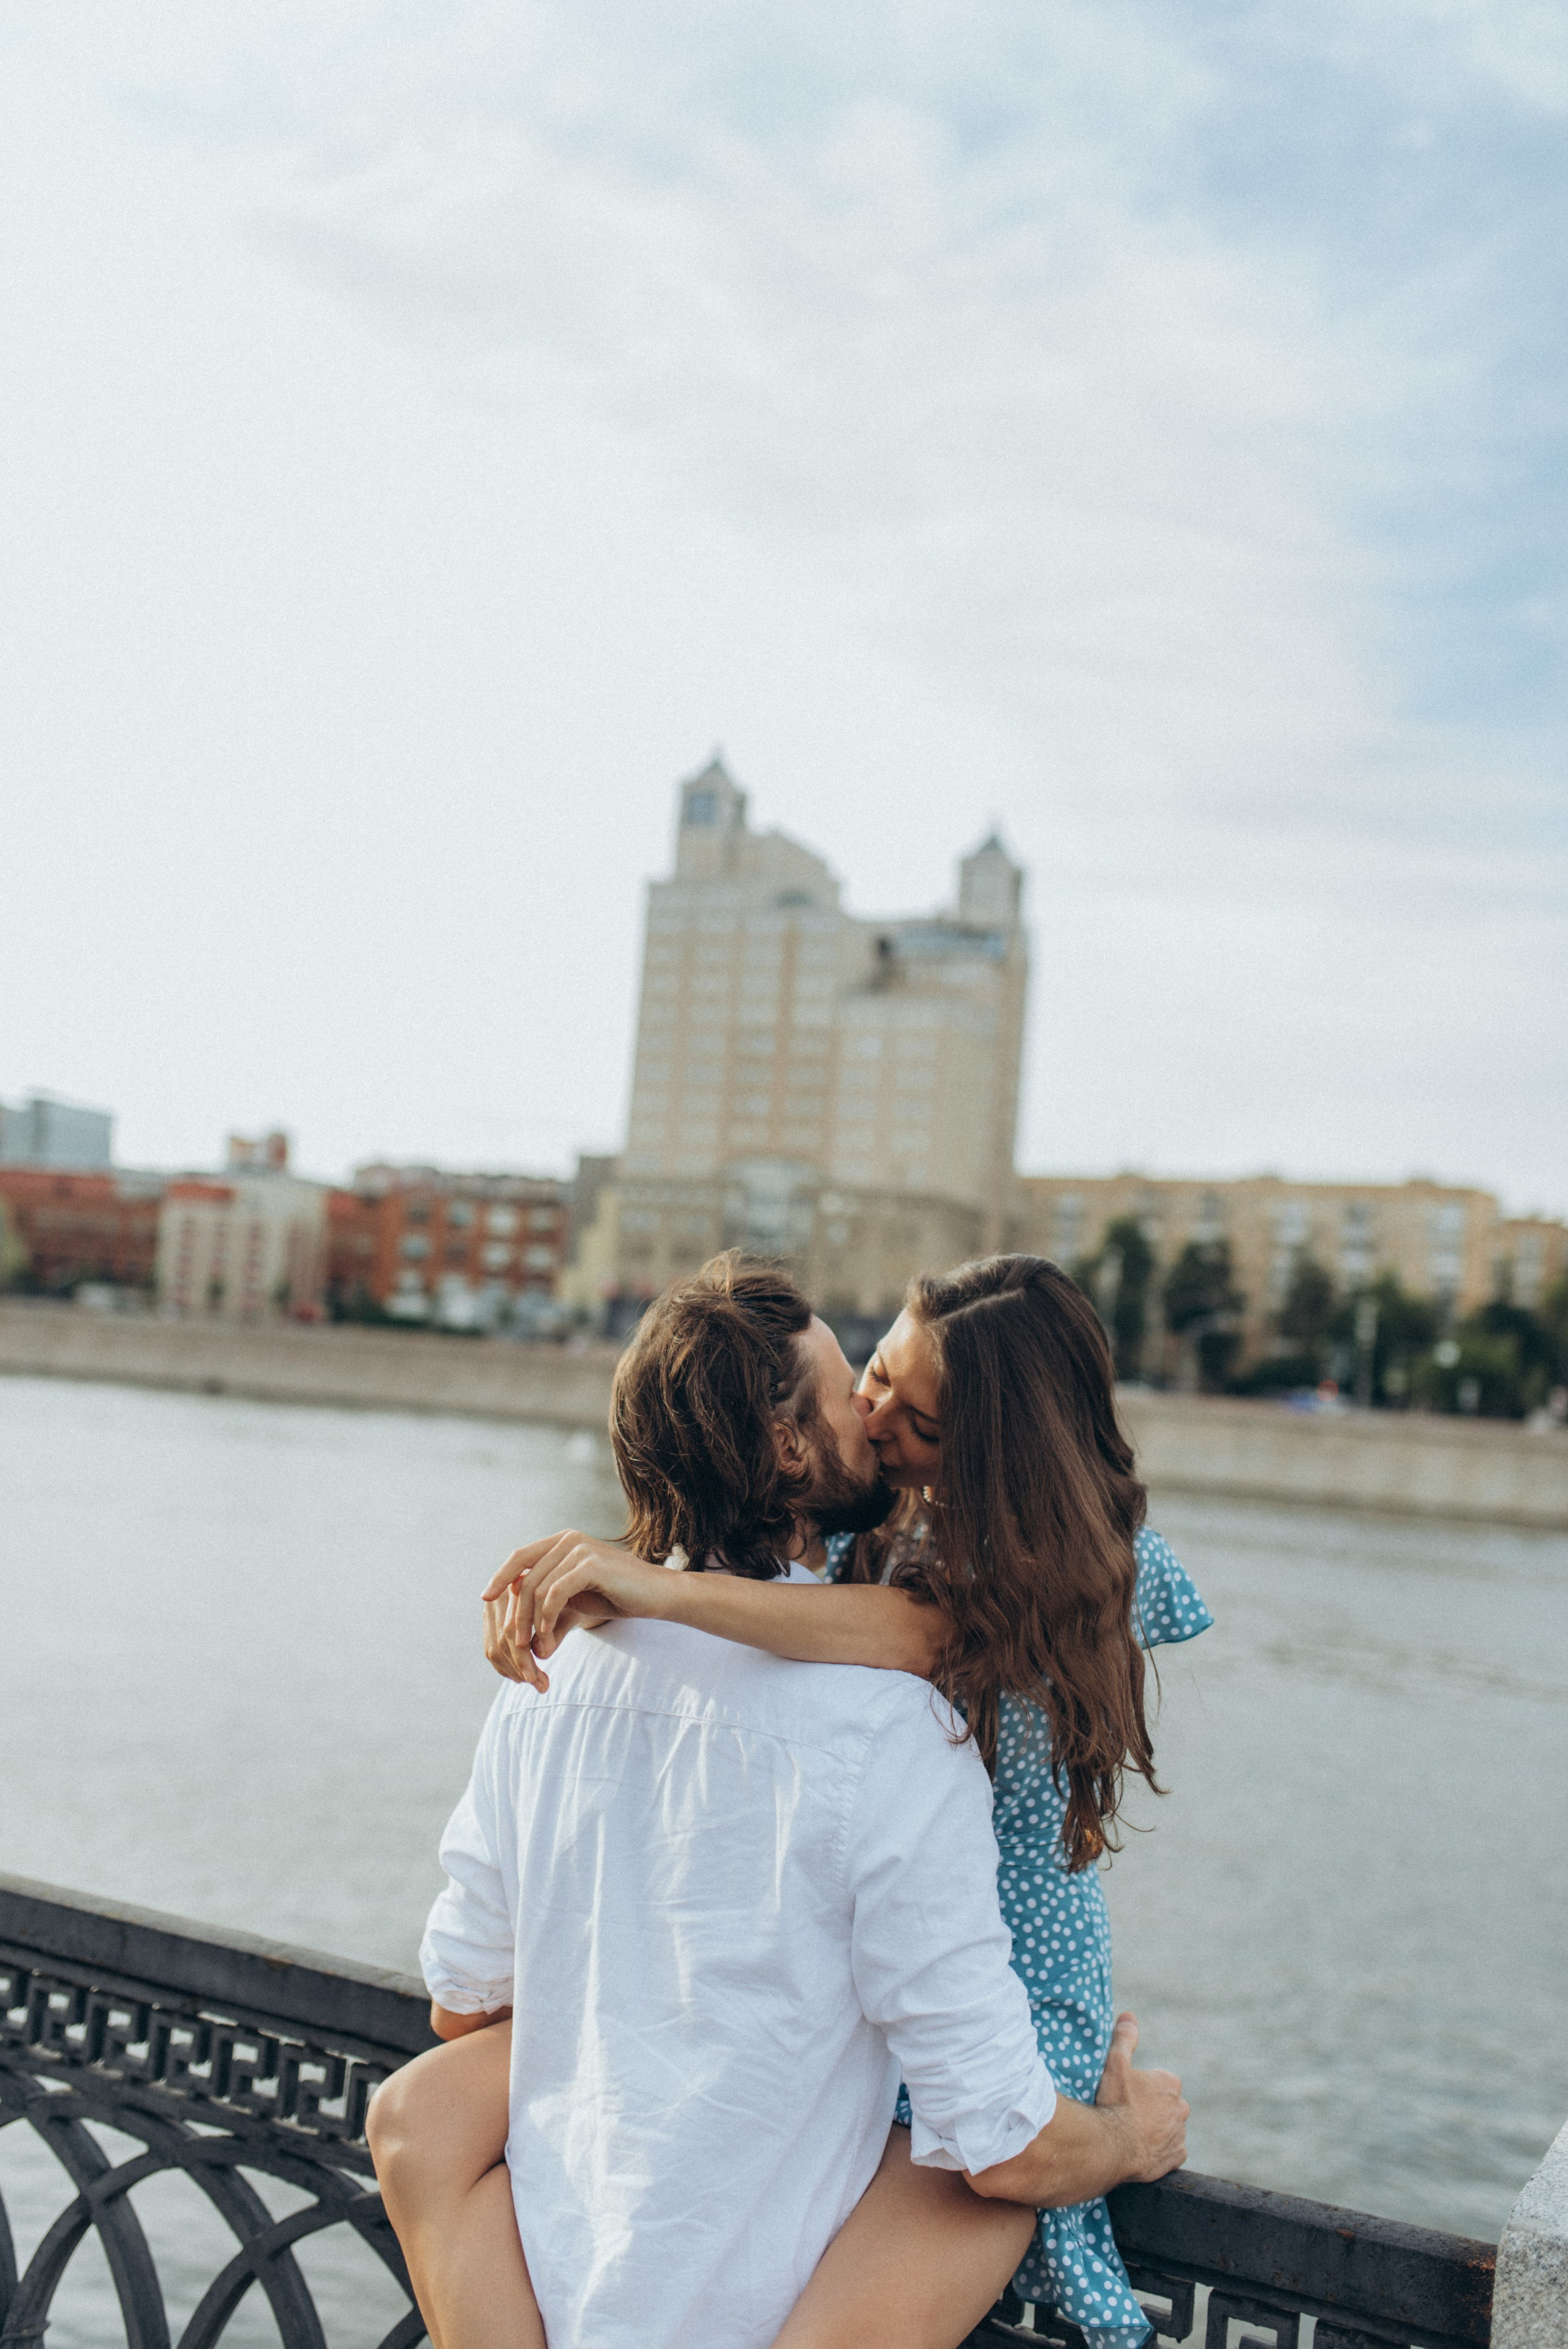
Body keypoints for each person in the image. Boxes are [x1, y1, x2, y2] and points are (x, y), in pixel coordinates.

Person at [368, 1255, 1189, 2349]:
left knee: (419, 2113)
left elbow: (464, 2008)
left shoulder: (550, 1680)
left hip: (578, 2268)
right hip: (817, 2162)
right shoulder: (889, 1698)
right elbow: (999, 2141)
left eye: (911, 1410)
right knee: (967, 2179)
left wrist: (656, 1587)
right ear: (792, 1449)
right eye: (867, 1379)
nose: (875, 1412)